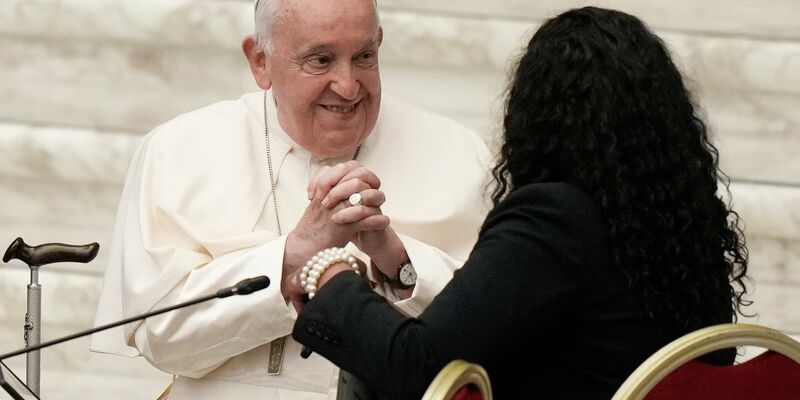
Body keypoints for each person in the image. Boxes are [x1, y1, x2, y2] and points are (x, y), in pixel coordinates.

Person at [288, 6, 750, 399]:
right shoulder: (684, 229)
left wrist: (327, 271)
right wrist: (391, 254)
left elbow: (418, 366)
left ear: (538, 113)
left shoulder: (554, 220)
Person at [90, 0, 490, 398]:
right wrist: (292, 257)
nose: (348, 86)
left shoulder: (459, 153)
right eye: (320, 60)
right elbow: (159, 336)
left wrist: (399, 263)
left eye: (364, 56)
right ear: (260, 61)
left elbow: (492, 333)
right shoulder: (178, 149)